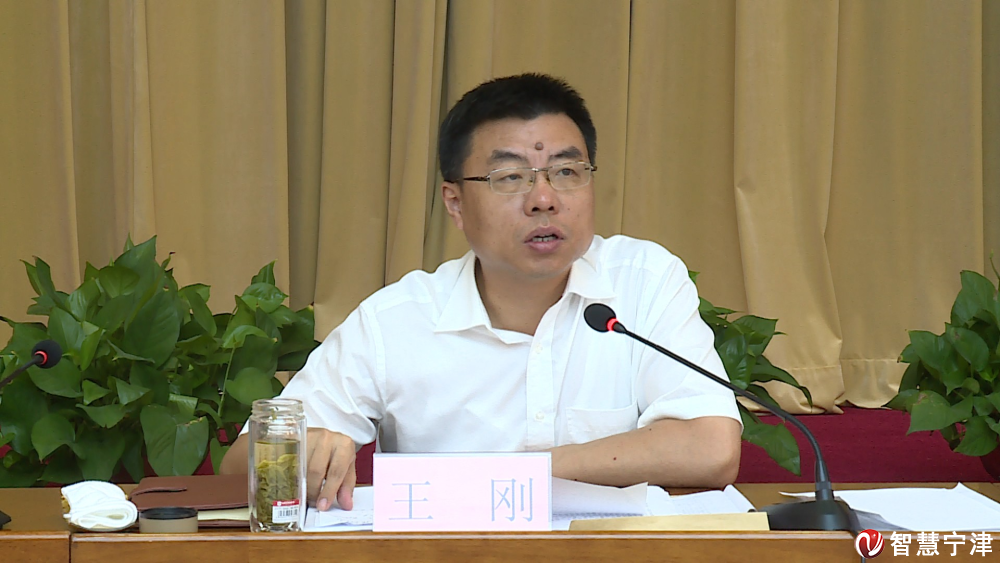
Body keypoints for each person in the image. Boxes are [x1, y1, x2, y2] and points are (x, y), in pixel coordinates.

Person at [221, 73, 742, 511]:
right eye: (509, 177)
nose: (543, 199)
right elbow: (239, 467)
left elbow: (711, 447)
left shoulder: (643, 281)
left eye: (566, 171)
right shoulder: (396, 320)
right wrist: (304, 450)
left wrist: (506, 476)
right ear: (455, 203)